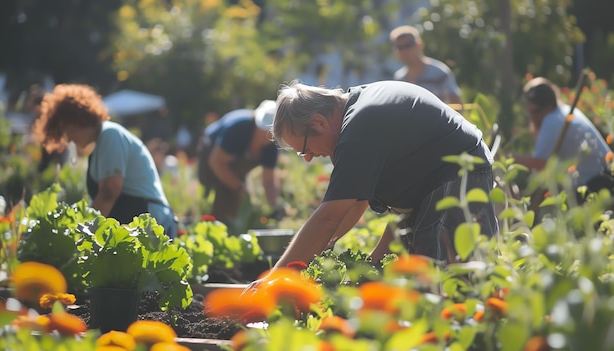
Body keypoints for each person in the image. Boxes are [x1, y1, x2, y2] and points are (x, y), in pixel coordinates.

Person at [260, 80, 498, 271]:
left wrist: (277, 279)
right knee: (422, 282)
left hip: (461, 175)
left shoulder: (359, 129)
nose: (309, 157)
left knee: (449, 279)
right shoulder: (357, 112)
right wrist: (370, 265)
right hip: (441, 182)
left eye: (305, 148)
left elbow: (329, 219)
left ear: (319, 123)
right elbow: (357, 203)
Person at [33, 84, 178, 238]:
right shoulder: (100, 145)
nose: (69, 139)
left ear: (78, 120)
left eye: (67, 130)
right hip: (138, 226)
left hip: (153, 227)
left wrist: (85, 236)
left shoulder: (110, 135)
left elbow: (110, 190)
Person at [513, 77, 612, 199]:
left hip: (597, 184)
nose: (533, 118)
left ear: (547, 107)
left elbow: (540, 163)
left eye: (535, 112)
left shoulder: (552, 121)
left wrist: (509, 158)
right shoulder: (563, 111)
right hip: (606, 174)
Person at [197, 100, 283, 226]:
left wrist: (274, 208)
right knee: (221, 194)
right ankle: (213, 227)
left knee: (238, 203)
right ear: (256, 123)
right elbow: (216, 161)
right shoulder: (239, 128)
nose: (267, 135)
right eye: (264, 129)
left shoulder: (272, 144)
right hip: (211, 154)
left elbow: (269, 180)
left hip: (229, 162)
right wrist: (239, 188)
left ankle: (234, 229)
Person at [390, 25, 462, 105]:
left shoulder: (439, 72)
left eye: (407, 46)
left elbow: (456, 104)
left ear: (419, 44)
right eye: (399, 47)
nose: (404, 51)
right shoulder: (399, 79)